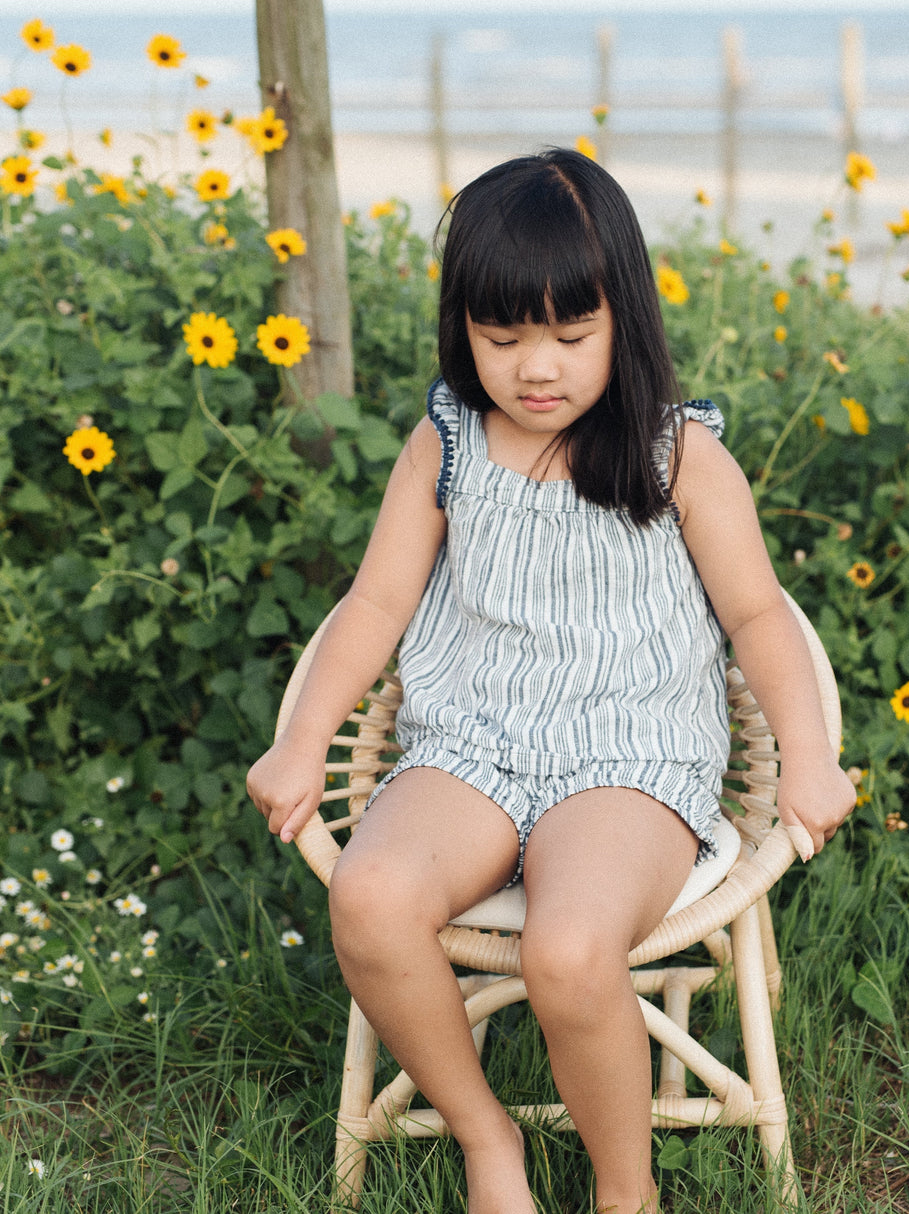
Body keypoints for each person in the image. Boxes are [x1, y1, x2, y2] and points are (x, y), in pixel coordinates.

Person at [247, 147, 856, 1214]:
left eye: (571, 336)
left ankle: (626, 1189)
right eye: (502, 336)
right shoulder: (445, 446)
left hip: (628, 756)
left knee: (568, 947)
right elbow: (375, 607)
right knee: (370, 894)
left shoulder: (674, 456)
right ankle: (490, 1139)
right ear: (462, 328)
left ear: (623, 320)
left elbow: (756, 613)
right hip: (471, 743)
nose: (538, 367)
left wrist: (808, 756)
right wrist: (301, 741)